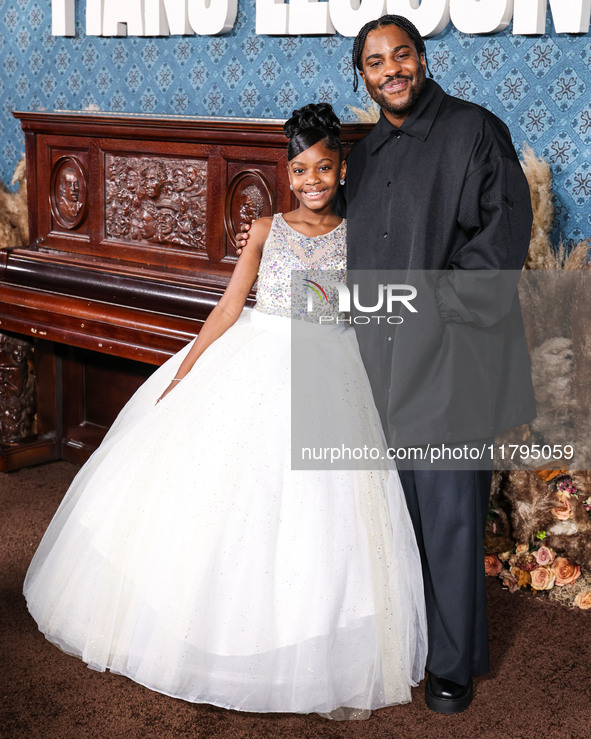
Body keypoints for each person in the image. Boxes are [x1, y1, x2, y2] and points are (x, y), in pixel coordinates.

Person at [23, 104, 427, 718]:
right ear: (286, 174)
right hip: (258, 354)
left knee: (322, 509)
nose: (311, 181)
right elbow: (230, 305)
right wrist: (190, 367)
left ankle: (304, 637)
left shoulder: (360, 233)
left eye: (323, 168)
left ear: (342, 171)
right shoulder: (265, 229)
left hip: (331, 366)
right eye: (299, 169)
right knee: (231, 491)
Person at [237, 17, 534, 715]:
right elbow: (329, 249)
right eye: (374, 61)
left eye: (401, 54)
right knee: (398, 515)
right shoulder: (361, 157)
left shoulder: (474, 131)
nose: (390, 69)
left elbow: (498, 245)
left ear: (422, 60)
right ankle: (413, 643)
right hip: (379, 362)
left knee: (451, 512)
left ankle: (452, 667)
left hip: (454, 355)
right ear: (361, 76)